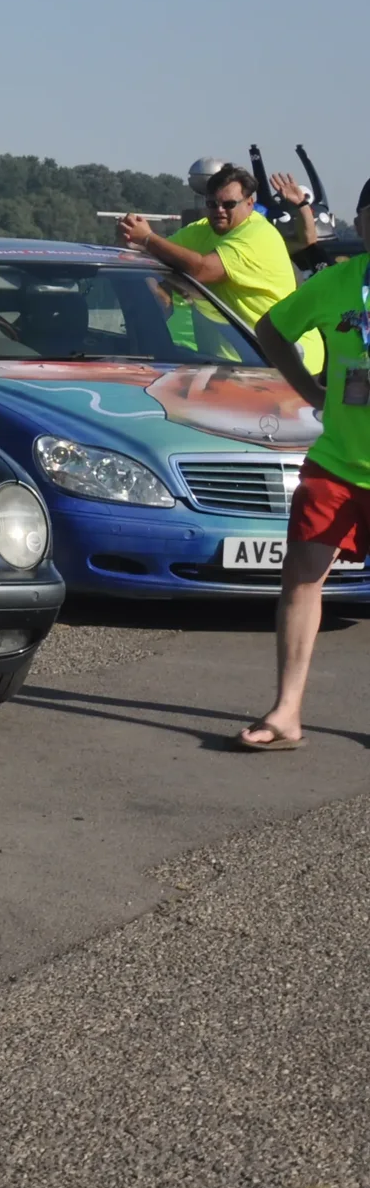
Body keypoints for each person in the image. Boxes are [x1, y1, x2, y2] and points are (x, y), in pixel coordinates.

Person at [236, 179, 370, 751]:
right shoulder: (337, 281)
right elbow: (271, 329)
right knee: (302, 576)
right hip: (337, 462)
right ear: (363, 221)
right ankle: (286, 712)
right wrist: (307, 388)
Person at [118, 160, 321, 375]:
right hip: (232, 360)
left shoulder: (256, 235)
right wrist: (131, 237)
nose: (219, 211)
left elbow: (202, 270)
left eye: (229, 204)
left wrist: (148, 238)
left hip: (287, 360)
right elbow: (157, 255)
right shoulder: (202, 229)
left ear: (250, 203)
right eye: (212, 204)